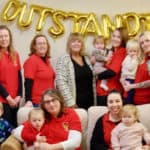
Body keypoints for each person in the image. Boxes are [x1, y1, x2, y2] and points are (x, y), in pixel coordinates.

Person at [13, 89, 82, 150]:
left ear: (60, 100)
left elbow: (76, 141)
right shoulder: (41, 116)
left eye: (53, 100)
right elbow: (17, 131)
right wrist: (33, 139)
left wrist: (51, 147)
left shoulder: (70, 113)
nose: (51, 104)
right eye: (47, 102)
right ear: (43, 105)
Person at [56, 32, 96, 109]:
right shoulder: (64, 59)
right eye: (73, 41)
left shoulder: (87, 59)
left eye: (79, 41)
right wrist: (70, 102)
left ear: (82, 44)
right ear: (69, 44)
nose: (76, 44)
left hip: (90, 101)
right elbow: (60, 82)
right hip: (74, 104)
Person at [96, 27, 129, 106]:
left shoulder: (122, 51)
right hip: (102, 92)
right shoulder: (111, 51)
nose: (115, 39)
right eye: (113, 36)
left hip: (111, 93)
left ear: (123, 39)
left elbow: (112, 72)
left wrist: (96, 76)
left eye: (118, 37)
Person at [23, 34, 55, 107]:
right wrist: (28, 100)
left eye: (44, 43)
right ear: (34, 46)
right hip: (37, 102)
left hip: (49, 101)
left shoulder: (47, 61)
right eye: (39, 44)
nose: (42, 46)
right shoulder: (32, 60)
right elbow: (28, 82)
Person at [0, 25, 22, 127]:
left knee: (15, 128)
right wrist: (8, 98)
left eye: (6, 36)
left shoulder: (15, 54)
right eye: (1, 36)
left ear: (10, 37)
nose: (4, 39)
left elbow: (19, 76)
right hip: (3, 100)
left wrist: (19, 95)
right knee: (6, 129)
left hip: (15, 100)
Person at [124, 31, 150, 104]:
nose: (145, 44)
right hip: (131, 97)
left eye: (147, 40)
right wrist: (123, 79)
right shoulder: (142, 57)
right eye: (142, 43)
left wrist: (132, 86)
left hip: (145, 101)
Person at [120, 39, 143, 104]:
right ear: (127, 51)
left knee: (130, 94)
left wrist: (133, 60)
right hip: (125, 77)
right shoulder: (127, 57)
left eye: (134, 51)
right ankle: (126, 103)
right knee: (125, 93)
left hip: (131, 78)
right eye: (130, 51)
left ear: (138, 51)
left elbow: (130, 68)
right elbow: (123, 65)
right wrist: (122, 76)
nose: (132, 53)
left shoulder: (135, 59)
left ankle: (129, 104)